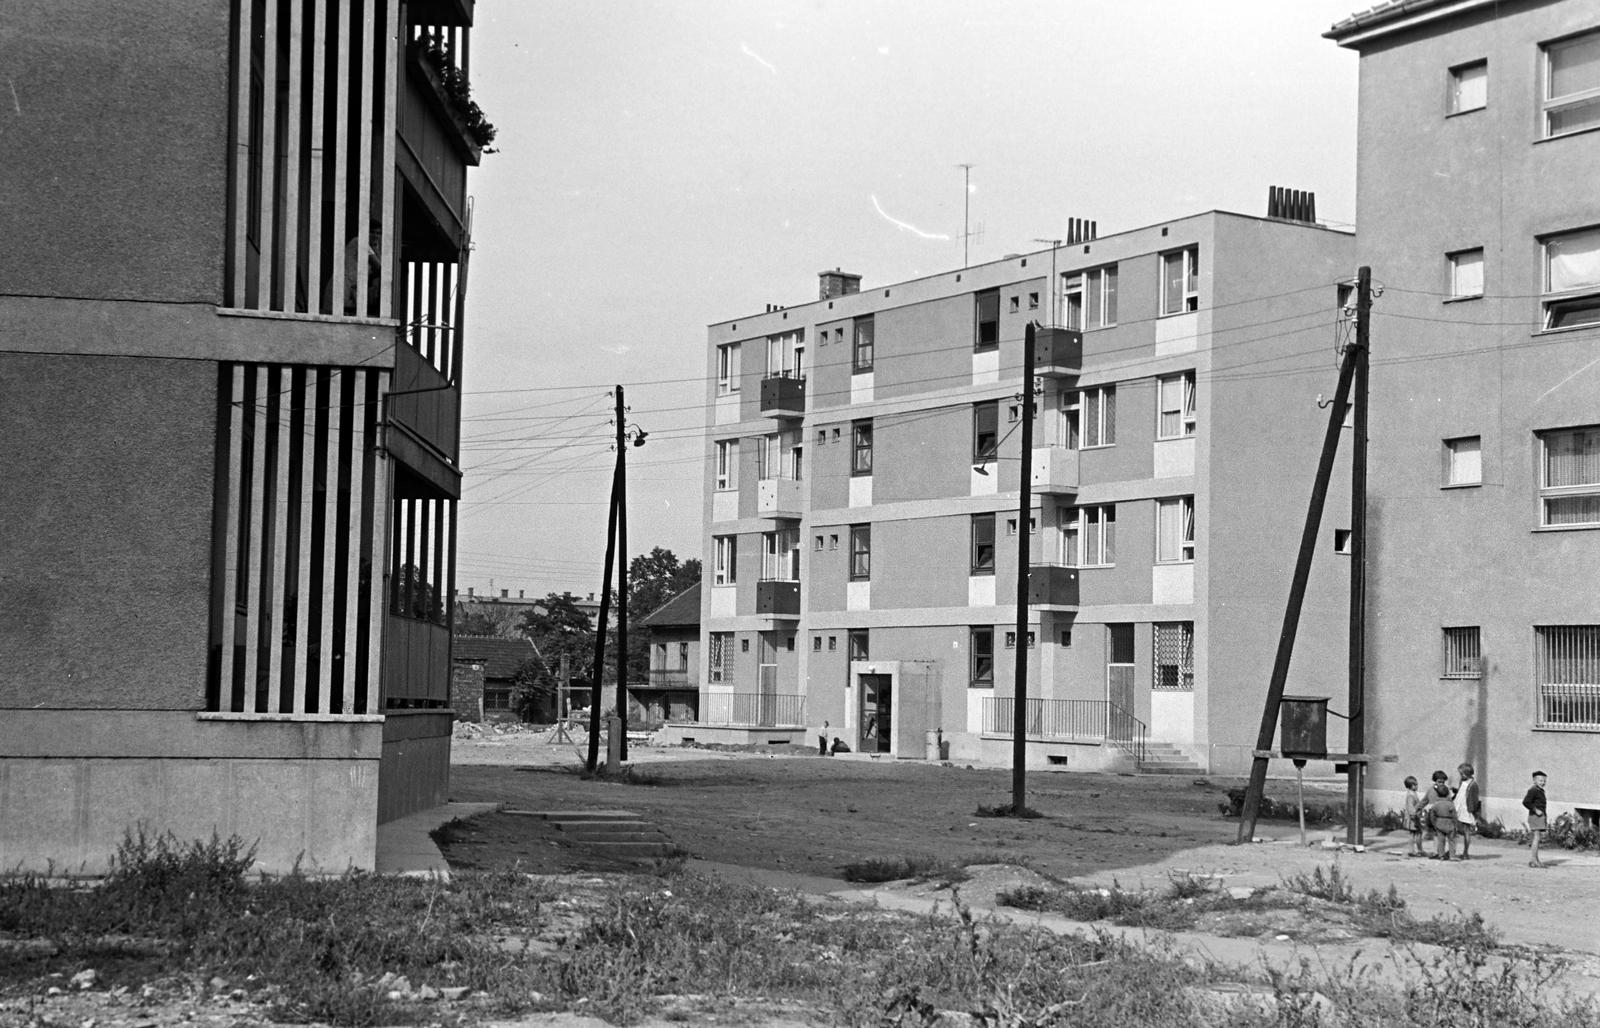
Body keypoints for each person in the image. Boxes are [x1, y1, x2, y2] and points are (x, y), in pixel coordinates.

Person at [1425, 780, 1459, 860]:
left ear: (1437, 794)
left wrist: (1434, 824)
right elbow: (1454, 815)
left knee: (1441, 841)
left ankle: (1441, 855)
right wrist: (1455, 825)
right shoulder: (1450, 804)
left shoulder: (1436, 804)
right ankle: (1452, 856)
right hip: (1449, 823)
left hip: (1439, 823)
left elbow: (1432, 815)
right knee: (1452, 840)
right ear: (1447, 794)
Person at [1455, 762, 1481, 859]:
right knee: (1454, 829)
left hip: (1466, 809)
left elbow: (1474, 799)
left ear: (1468, 773)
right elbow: (1460, 793)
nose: (1461, 776)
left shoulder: (1473, 784)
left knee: (1466, 831)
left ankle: (1465, 852)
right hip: (1458, 806)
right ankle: (1452, 850)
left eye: (1463, 774)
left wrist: (1473, 811)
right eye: (1461, 774)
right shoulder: (1462, 781)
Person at [1523, 770, 1549, 869]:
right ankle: (1534, 860)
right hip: (1535, 816)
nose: (1543, 782)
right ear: (1534, 780)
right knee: (1536, 838)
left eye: (1544, 781)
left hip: (1540, 816)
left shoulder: (1540, 790)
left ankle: (1535, 860)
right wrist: (1535, 810)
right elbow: (1526, 802)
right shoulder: (1533, 790)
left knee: (1538, 838)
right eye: (1540, 780)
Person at [1402, 776, 1426, 857]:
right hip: (1413, 817)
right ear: (1410, 786)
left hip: (1415, 816)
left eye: (1416, 784)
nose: (1416, 786)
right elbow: (1410, 807)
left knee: (1415, 833)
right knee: (1415, 833)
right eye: (1414, 785)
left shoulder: (1412, 793)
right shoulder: (1411, 795)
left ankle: (1415, 850)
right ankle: (1415, 850)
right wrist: (1413, 815)